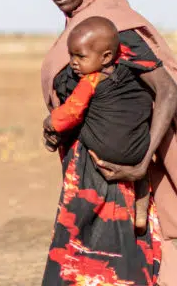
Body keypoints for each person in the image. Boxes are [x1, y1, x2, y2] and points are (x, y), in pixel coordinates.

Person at [40, 0, 177, 285]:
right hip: (84, 171)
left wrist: (141, 163)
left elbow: (167, 91)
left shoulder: (112, 29)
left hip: (116, 174)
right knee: (96, 261)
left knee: (112, 263)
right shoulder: (81, 31)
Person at [42, 16, 154, 236]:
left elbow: (71, 113)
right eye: (71, 55)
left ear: (105, 57)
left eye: (80, 56)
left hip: (108, 155)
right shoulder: (130, 77)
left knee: (82, 127)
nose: (73, 62)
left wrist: (50, 122)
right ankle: (141, 211)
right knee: (143, 176)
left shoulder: (90, 81)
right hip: (140, 152)